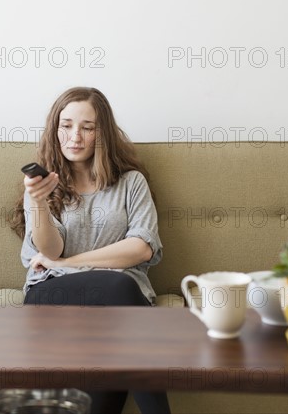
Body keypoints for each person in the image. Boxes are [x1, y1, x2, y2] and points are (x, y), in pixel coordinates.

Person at [11, 87, 170, 414]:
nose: (75, 136)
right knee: (120, 285)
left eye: (87, 127)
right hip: (52, 295)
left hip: (117, 309)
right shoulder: (41, 187)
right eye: (66, 126)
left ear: (103, 132)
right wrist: (38, 202)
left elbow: (141, 248)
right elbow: (49, 248)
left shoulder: (130, 183)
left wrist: (69, 261)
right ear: (55, 130)